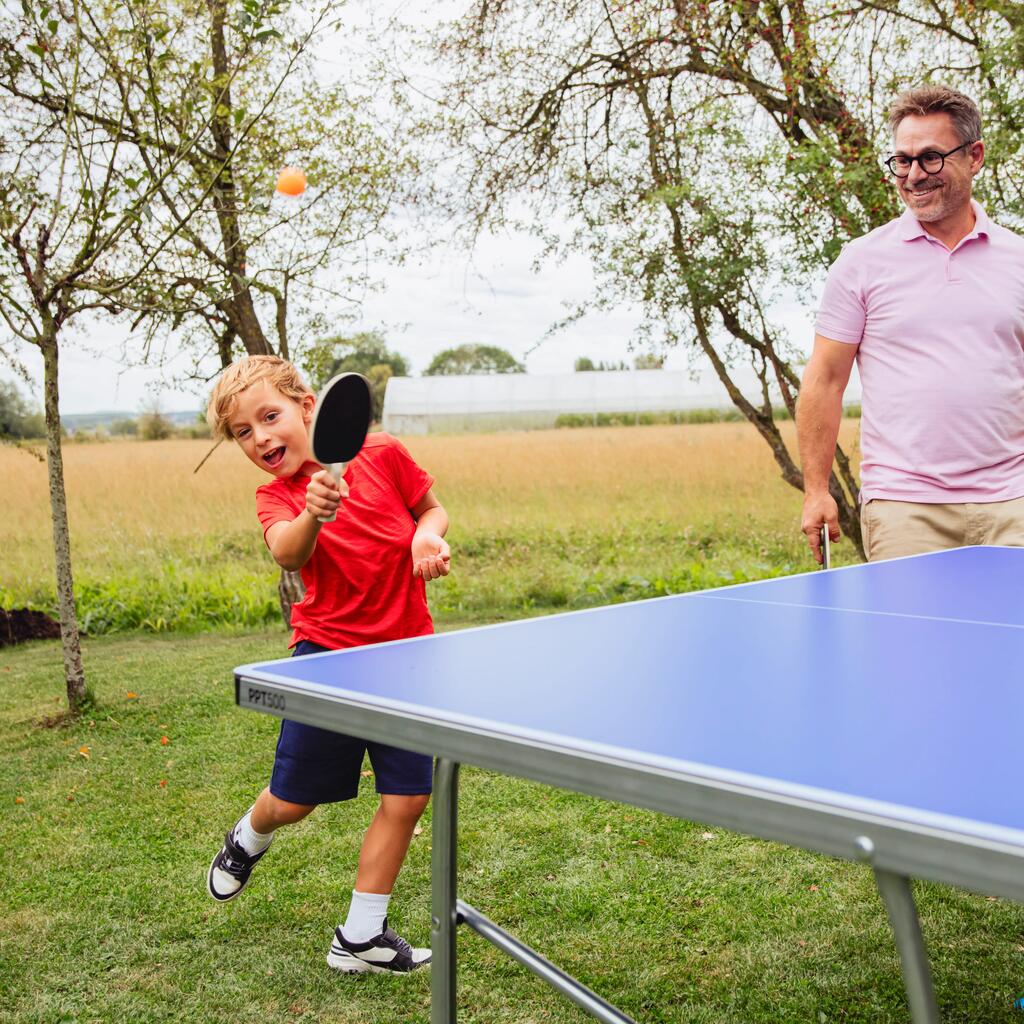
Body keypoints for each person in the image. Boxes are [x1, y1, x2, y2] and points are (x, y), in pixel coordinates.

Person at [203, 354, 451, 974]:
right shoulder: (276, 496)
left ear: (307, 405)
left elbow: (431, 509)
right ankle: (249, 836)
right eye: (242, 431)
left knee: (409, 796)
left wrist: (427, 535)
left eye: (269, 416)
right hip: (328, 660)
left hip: (404, 655)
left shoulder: (383, 452)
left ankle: (361, 937)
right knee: (295, 803)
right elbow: (287, 553)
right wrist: (313, 509)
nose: (260, 437)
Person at [797, 84, 1024, 563]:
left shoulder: (1018, 259)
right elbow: (824, 379)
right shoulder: (860, 263)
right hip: (905, 507)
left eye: (931, 158)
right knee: (911, 642)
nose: (914, 175)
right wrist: (817, 490)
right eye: (902, 160)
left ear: (975, 155)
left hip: (1014, 502)